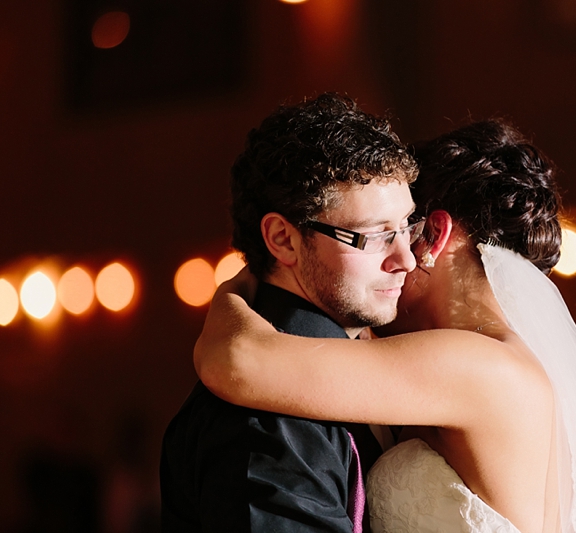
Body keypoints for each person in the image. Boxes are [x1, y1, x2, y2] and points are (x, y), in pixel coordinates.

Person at [194, 120, 576, 532]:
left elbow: (237, 359)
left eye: (400, 230)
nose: (395, 258)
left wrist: (238, 286)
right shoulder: (485, 361)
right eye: (378, 234)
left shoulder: (474, 365)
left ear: (433, 235)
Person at [159, 93, 422, 532]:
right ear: (283, 239)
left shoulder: (367, 361)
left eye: (407, 227)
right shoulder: (266, 417)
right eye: (374, 236)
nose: (406, 259)